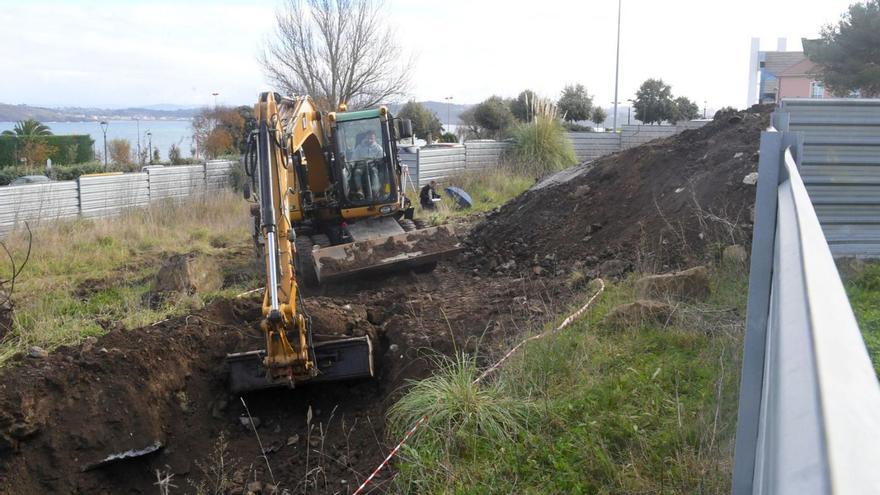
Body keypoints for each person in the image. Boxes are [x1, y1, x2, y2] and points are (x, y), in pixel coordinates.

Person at [351, 131, 384, 199]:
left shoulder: (378, 148)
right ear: (365, 137)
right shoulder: (359, 147)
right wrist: (351, 165)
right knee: (357, 172)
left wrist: (379, 161)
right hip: (361, 164)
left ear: (374, 138)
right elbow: (354, 158)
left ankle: (375, 191)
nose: (369, 140)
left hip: (373, 164)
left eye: (371, 138)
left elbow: (382, 158)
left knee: (374, 172)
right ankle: (360, 190)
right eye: (368, 138)